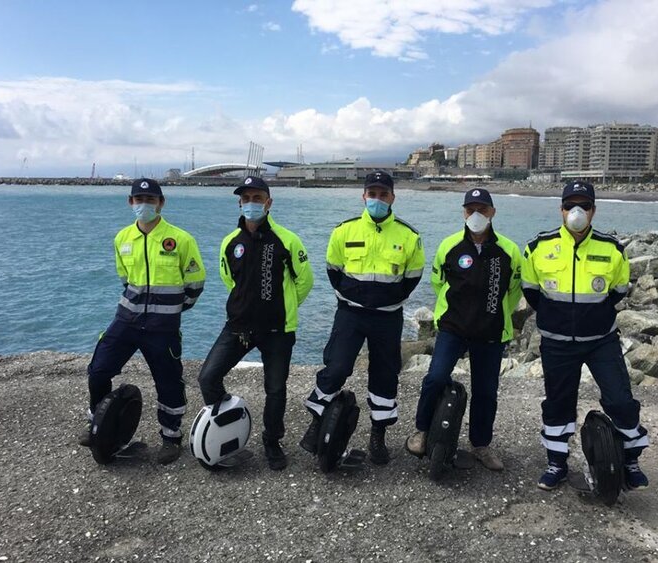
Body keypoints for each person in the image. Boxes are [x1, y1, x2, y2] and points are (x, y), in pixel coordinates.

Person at [521, 180, 649, 491]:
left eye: (584, 206)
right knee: (558, 404)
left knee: (621, 400)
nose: (576, 212)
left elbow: (618, 291)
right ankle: (557, 463)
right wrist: (559, 319)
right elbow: (531, 291)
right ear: (561, 209)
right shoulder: (538, 247)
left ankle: (630, 460)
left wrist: (592, 318)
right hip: (557, 342)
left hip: (601, 341)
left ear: (593, 210)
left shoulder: (612, 248)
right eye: (570, 206)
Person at [301, 170, 425, 465]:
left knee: (384, 375)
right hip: (350, 315)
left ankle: (378, 436)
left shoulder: (409, 236)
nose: (378, 199)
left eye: (384, 194)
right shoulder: (344, 231)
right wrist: (352, 295)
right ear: (364, 196)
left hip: (387, 318)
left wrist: (386, 299)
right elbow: (333, 270)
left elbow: (413, 277)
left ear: (393, 197)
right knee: (336, 367)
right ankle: (317, 422)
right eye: (373, 194)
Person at [80, 178, 206, 465]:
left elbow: (195, 283)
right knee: (98, 371)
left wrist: (172, 310)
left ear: (161, 203)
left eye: (150, 200)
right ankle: (97, 425)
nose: (144, 205)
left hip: (163, 328)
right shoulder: (122, 238)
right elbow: (125, 280)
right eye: (139, 200)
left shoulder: (181, 239)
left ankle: (171, 437)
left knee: (169, 382)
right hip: (126, 320)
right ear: (130, 202)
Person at [198, 176, 313, 471]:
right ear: (239, 203)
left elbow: (305, 282)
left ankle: (272, 442)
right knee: (208, 377)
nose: (252, 203)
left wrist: (282, 307)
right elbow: (229, 280)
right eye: (246, 198)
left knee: (275, 389)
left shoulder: (288, 240)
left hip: (278, 330)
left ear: (269, 203)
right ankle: (227, 427)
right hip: (238, 326)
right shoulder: (230, 242)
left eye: (257, 198)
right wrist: (248, 306)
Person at [405, 188, 522, 470]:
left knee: (486, 392)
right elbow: (438, 283)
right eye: (471, 210)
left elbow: (515, 291)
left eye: (482, 210)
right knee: (435, 378)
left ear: (492, 213)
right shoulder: (449, 246)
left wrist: (493, 310)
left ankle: (481, 445)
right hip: (453, 327)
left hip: (491, 331)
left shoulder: (509, 251)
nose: (476, 215)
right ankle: (422, 430)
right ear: (464, 212)